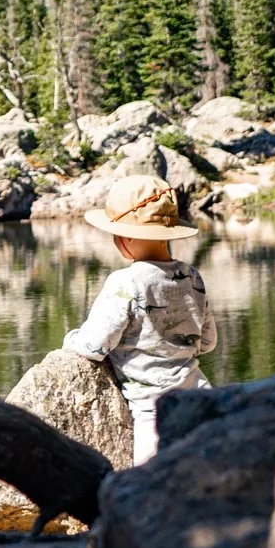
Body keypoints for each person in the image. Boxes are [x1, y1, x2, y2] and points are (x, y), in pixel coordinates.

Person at [62, 173, 215, 464]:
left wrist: (71, 339)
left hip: (154, 411)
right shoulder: (192, 277)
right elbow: (207, 342)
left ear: (126, 238)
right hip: (200, 395)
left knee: (149, 486)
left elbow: (94, 347)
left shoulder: (125, 282)